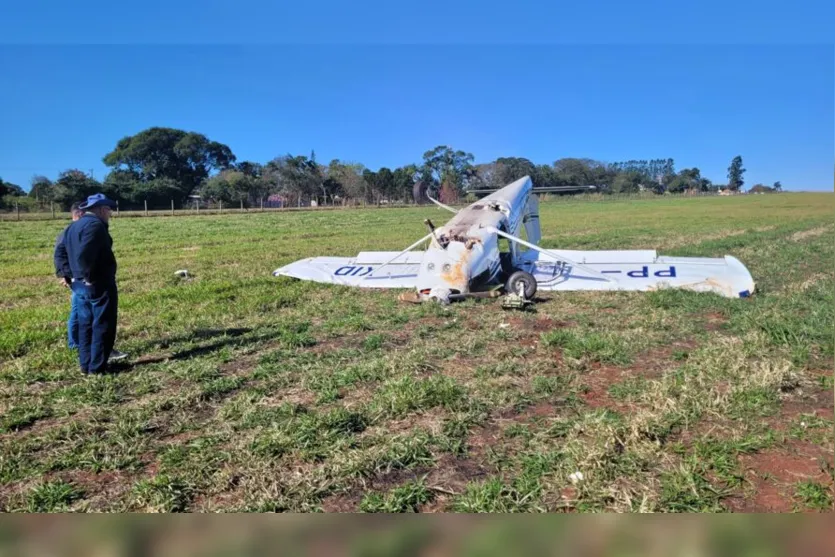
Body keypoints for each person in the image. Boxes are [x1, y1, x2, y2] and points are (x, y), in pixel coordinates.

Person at [63, 193, 126, 374]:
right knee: (102, 324)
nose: (110, 215)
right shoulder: (95, 226)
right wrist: (89, 278)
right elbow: (85, 255)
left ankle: (86, 365)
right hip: (97, 283)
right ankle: (98, 368)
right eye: (109, 211)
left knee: (86, 325)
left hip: (79, 285)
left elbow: (62, 250)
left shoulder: (73, 227)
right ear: (101, 209)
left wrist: (71, 276)